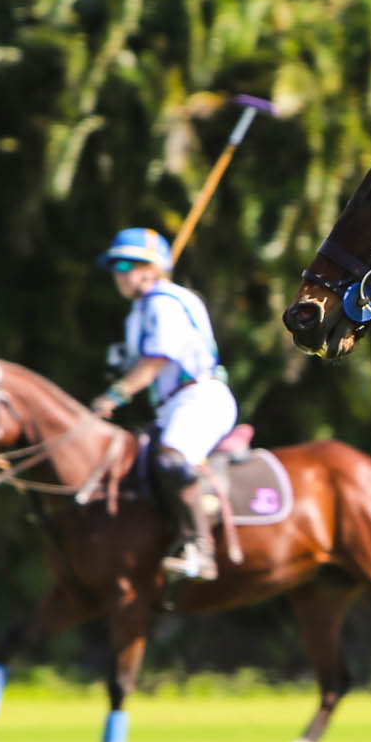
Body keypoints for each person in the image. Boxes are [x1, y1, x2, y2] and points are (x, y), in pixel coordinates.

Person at [91, 227, 239, 582]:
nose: (119, 274)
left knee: (170, 458)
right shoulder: (139, 311)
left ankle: (200, 550)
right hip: (172, 405)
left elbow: (155, 361)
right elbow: (139, 360)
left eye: (127, 264)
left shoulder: (164, 301)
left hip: (200, 397)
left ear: (152, 268)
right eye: (114, 266)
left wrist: (114, 395)